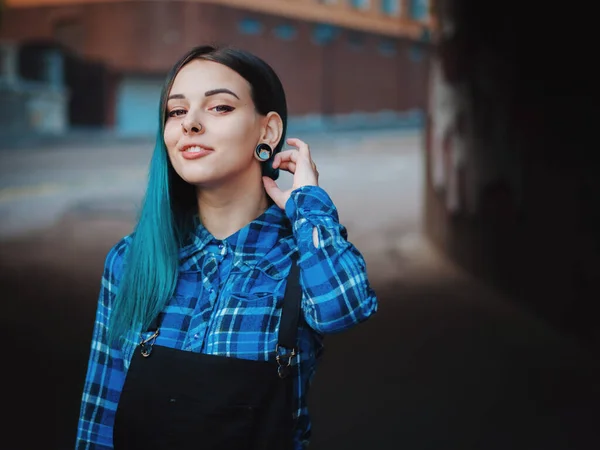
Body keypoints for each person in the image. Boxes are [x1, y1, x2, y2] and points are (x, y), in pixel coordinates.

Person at [75, 45, 378, 450]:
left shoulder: (299, 258)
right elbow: (100, 411)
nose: (190, 125)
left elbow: (344, 307)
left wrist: (309, 203)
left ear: (267, 131)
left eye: (219, 107)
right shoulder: (131, 260)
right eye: (176, 112)